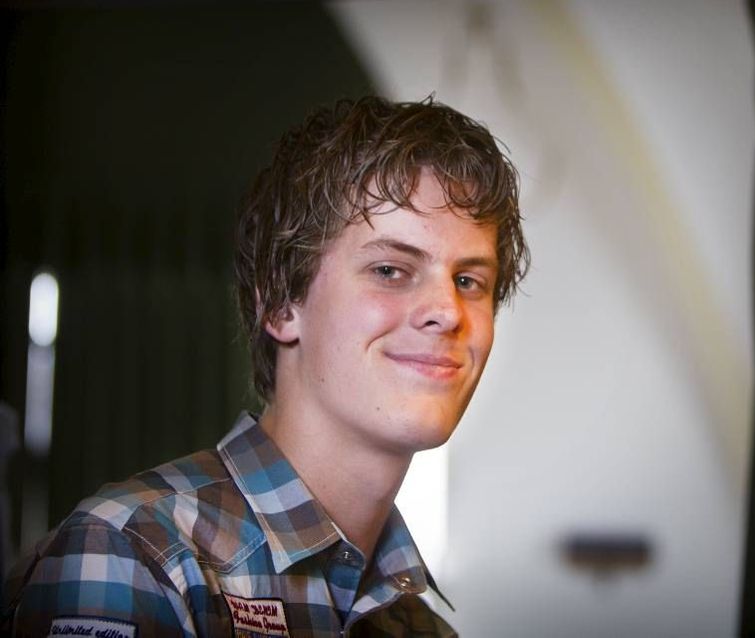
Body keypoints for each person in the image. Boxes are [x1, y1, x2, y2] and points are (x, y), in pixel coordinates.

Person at [2, 96, 529, 636]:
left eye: (470, 281)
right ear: (280, 303)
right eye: (391, 270)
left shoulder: (422, 628)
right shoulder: (136, 555)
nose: (447, 310)